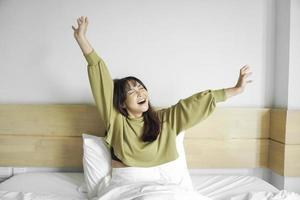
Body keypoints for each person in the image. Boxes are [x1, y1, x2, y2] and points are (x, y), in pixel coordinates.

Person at [72, 16, 252, 169]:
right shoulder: (116, 120)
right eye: (131, 91)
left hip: (162, 182)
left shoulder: (164, 119)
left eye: (141, 87)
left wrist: (236, 89)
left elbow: (195, 103)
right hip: (127, 182)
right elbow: (100, 78)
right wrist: (82, 39)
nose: (140, 92)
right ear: (121, 102)